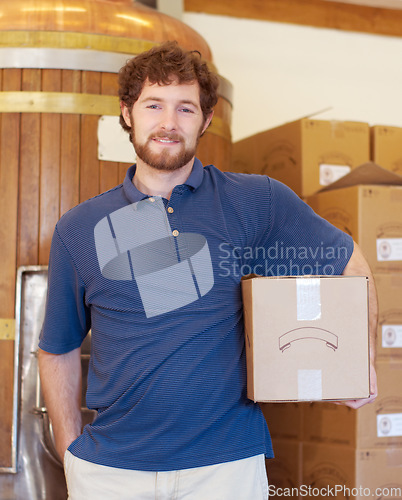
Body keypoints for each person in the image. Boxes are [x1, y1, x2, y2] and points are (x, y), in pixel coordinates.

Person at [38, 41, 378, 500]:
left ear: (207, 119)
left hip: (226, 469)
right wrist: (72, 450)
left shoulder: (256, 201)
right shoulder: (80, 228)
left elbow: (349, 265)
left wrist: (358, 362)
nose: (168, 123)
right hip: (112, 473)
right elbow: (57, 348)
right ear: (126, 113)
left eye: (185, 109)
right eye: (153, 105)